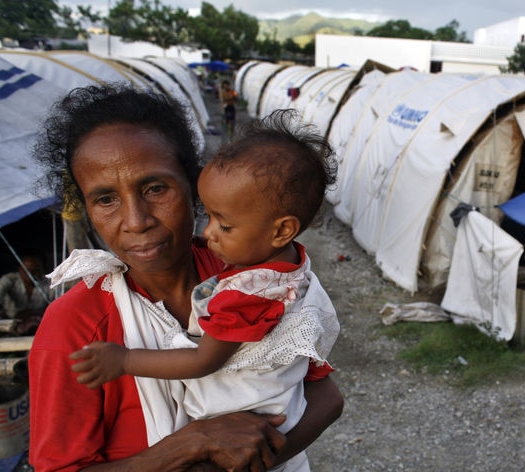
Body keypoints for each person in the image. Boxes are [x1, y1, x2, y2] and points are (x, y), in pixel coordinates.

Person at [29, 83, 343, 471]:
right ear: (87, 208)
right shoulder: (77, 327)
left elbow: (326, 397)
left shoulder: (249, 276)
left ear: (193, 187)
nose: (136, 221)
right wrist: (192, 443)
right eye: (106, 199)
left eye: (156, 188)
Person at [0, 249, 53, 334]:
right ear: (19, 269)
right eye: (26, 270)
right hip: (10, 324)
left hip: (40, 324)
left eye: (36, 270)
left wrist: (31, 314)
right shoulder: (10, 279)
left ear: (43, 269)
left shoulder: (50, 283)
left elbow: (56, 304)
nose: (30, 274)